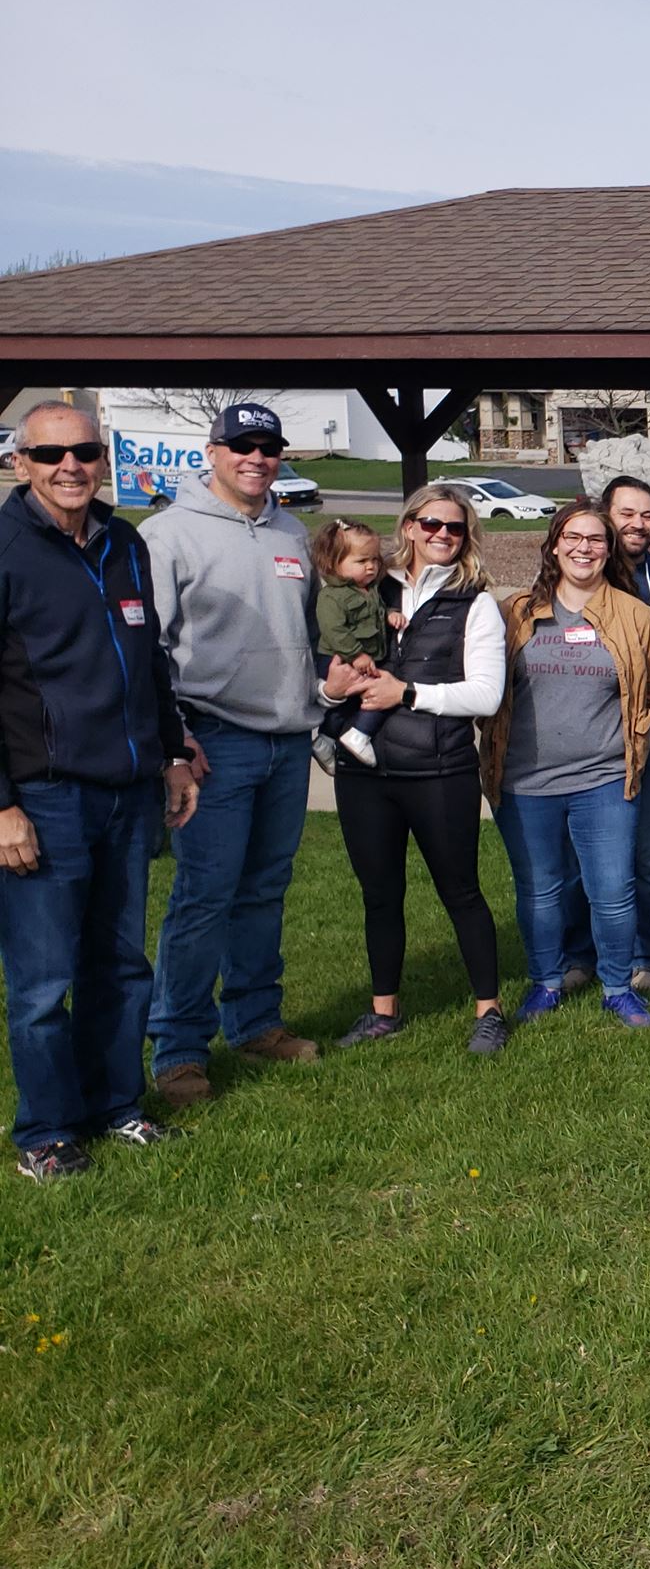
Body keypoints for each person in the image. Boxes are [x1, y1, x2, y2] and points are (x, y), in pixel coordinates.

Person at [0, 403, 198, 1180]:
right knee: (45, 980)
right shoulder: (8, 547)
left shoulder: (124, 543)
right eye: (52, 454)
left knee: (119, 965)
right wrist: (4, 806)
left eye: (85, 450)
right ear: (22, 462)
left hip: (128, 789)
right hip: (43, 796)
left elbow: (150, 661)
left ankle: (117, 1107)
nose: (71, 465)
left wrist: (172, 755)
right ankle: (45, 1133)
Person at [142, 401, 326, 1108]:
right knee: (203, 899)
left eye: (268, 446)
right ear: (212, 452)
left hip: (286, 740)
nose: (257, 457)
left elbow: (308, 631)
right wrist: (175, 743)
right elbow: (148, 649)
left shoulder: (290, 530)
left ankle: (255, 1023)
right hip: (212, 742)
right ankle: (180, 1051)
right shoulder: (167, 537)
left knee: (263, 891)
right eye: (242, 445)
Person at [322, 484, 510, 1055]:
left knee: (461, 892)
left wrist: (407, 694)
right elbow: (325, 672)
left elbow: (486, 694)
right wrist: (330, 696)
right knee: (379, 895)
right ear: (408, 526)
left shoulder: (474, 601)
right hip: (364, 774)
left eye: (454, 528)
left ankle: (489, 1011)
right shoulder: (364, 586)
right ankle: (384, 1012)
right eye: (431, 524)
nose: (442, 536)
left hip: (439, 771)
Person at [483, 501, 650, 1030]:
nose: (584, 547)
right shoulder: (514, 612)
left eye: (595, 539)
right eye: (573, 536)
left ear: (609, 550)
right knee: (540, 891)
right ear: (554, 544)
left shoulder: (639, 618)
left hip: (606, 779)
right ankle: (546, 980)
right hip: (524, 780)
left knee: (612, 890)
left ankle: (617, 986)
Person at [563, 473, 650, 996]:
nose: (638, 525)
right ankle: (580, 956)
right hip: (591, 745)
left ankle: (644, 959)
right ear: (606, 515)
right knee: (585, 857)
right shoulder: (581, 582)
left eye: (647, 515)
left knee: (646, 859)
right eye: (627, 514)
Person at [310, 519, 396, 767]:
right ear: (333, 563)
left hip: (362, 657)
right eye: (361, 561)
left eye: (375, 560)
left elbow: (373, 614)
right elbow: (334, 630)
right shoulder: (332, 596)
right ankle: (359, 735)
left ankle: (326, 739)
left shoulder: (369, 590)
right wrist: (356, 655)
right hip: (340, 659)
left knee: (347, 705)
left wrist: (389, 614)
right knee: (377, 693)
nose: (371, 567)